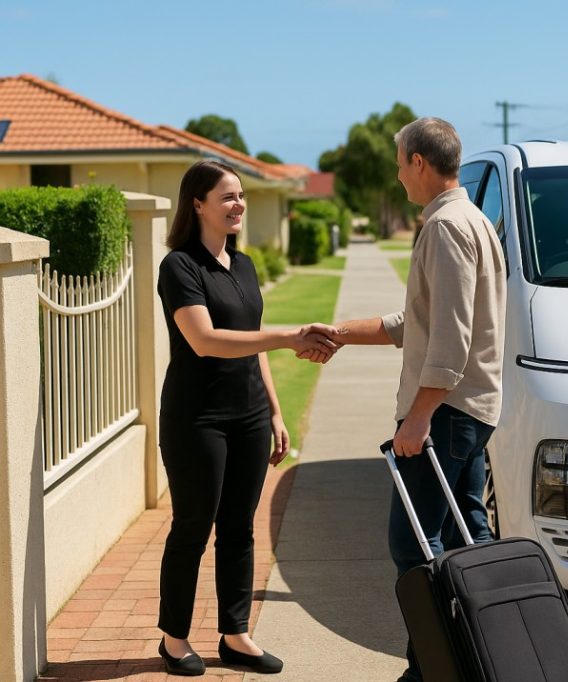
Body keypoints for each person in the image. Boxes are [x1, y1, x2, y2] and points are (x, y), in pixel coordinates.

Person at [317, 117, 506, 682]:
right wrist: (343, 334)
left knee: (417, 548)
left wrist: (418, 417)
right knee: (467, 540)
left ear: (419, 162)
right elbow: (419, 322)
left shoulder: (446, 228)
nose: (398, 175)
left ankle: (432, 671)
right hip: (469, 410)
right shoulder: (470, 219)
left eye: (401, 163)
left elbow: (450, 338)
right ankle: (486, 660)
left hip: (445, 414)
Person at [156, 160, 338, 676]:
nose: (239, 204)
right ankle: (173, 639)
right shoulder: (180, 267)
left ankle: (235, 636)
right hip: (198, 420)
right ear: (198, 204)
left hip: (250, 416)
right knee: (193, 526)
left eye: (241, 196)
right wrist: (287, 336)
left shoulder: (245, 266)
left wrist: (276, 412)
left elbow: (251, 348)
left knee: (239, 528)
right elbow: (205, 340)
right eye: (228, 196)